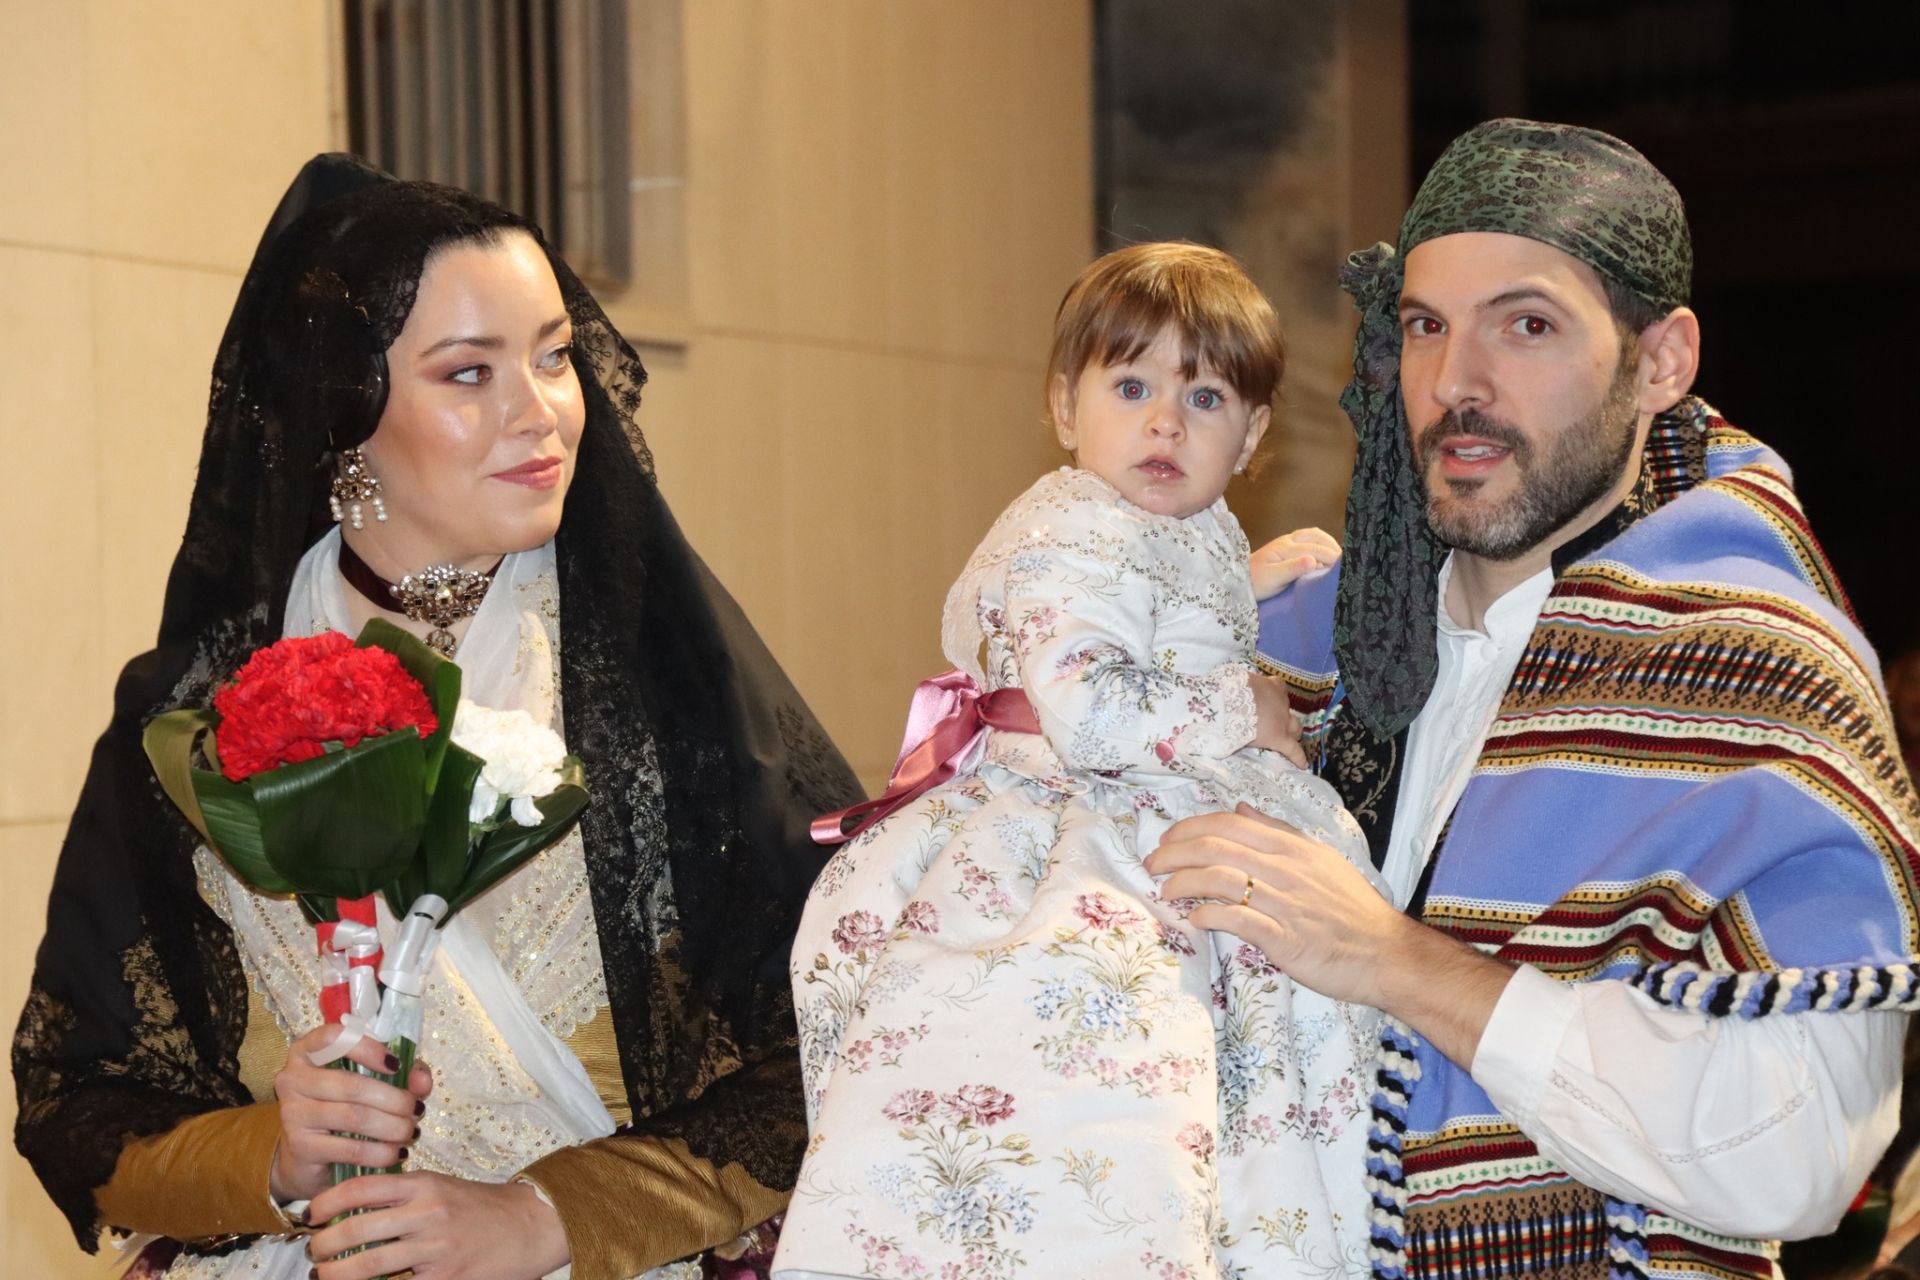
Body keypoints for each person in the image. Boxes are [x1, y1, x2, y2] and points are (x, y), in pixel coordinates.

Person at [11, 154, 863, 1280]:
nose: (544, 412)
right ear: (342, 409)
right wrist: (272, 1151)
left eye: (555, 357)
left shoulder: (665, 680)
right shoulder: (193, 711)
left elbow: (848, 1022)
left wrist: (544, 1215)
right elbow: (78, 1097)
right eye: (470, 373)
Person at [1145, 119, 1920, 1280]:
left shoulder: (1758, 672)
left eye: (1528, 324)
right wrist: (1166, 634)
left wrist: (1393, 960)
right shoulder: (1301, 638)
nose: (1457, 383)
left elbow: (1799, 1154)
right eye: (1425, 325)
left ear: (1661, 358)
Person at [771, 243, 1377, 1280]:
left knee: (1280, 1007)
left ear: (1253, 435)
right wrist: (1244, 701)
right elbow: (1093, 712)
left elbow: (1166, 594)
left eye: (1206, 395)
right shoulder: (1064, 529)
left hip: (1157, 798)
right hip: (1069, 818)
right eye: (1131, 385)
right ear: (1065, 406)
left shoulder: (1180, 523)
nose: (1164, 422)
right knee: (1113, 1044)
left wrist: (1263, 570)